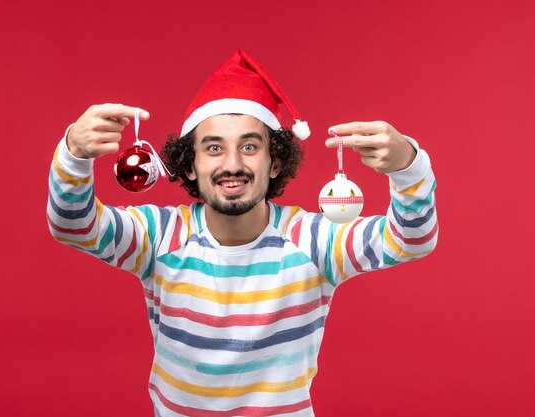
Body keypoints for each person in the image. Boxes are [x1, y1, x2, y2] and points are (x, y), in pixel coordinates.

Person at [47, 50, 438, 417]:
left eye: (249, 146)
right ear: (188, 165)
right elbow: (72, 224)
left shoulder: (314, 241)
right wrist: (74, 154)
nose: (232, 164)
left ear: (275, 162)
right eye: (213, 148)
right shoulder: (158, 236)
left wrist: (408, 166)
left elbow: (412, 239)